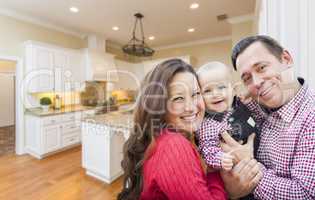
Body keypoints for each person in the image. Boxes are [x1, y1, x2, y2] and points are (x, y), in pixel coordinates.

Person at [117, 59, 231, 200]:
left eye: (195, 94)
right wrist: (215, 174)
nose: (191, 107)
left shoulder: (160, 136)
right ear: (158, 106)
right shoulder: (173, 145)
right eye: (178, 98)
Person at [221, 35, 315, 199]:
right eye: (247, 78)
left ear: (286, 59)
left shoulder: (310, 116)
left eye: (262, 68)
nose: (256, 82)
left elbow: (305, 194)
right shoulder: (263, 105)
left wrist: (249, 167)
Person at [196, 61, 260, 172]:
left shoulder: (241, 104)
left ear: (232, 89)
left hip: (260, 157)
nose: (216, 94)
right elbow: (207, 150)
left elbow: (258, 115)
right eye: (207, 90)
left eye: (221, 87)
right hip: (237, 169)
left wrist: (250, 99)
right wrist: (221, 158)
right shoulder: (208, 124)